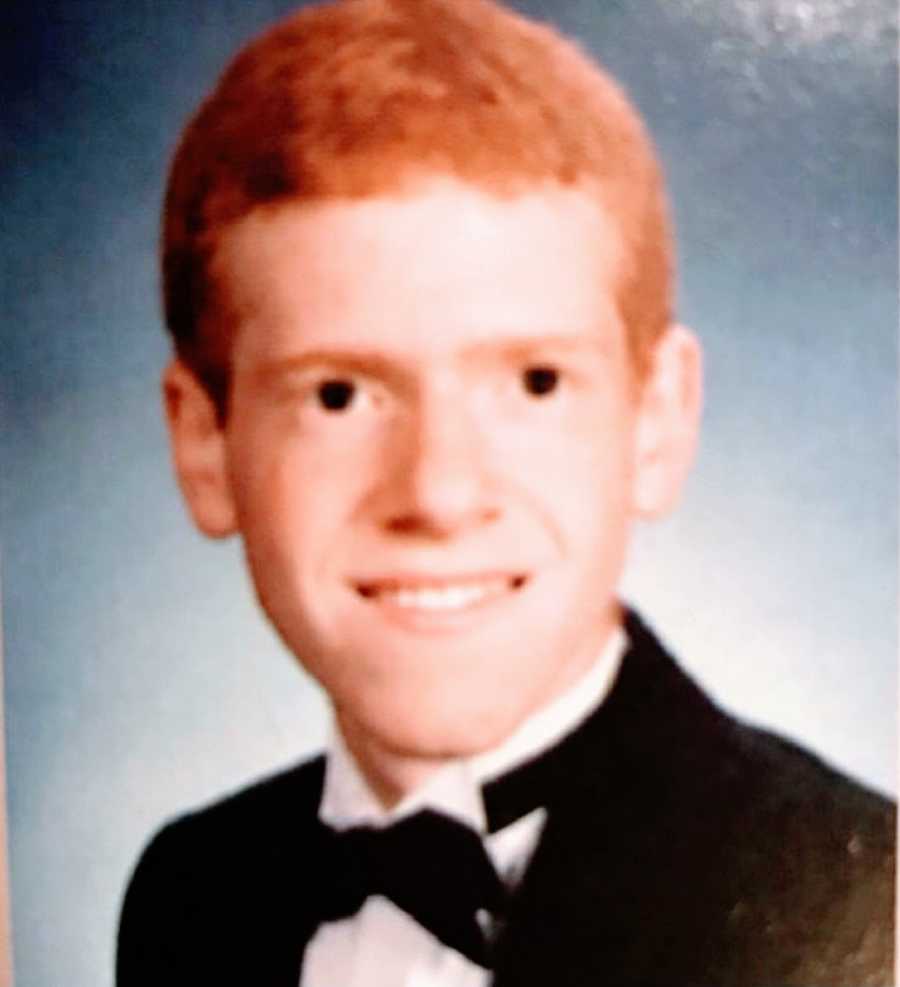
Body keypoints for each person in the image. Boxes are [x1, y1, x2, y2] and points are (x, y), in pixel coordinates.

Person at [116, 1, 895, 984]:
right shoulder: (194, 890)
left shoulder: (848, 890)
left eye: (533, 382)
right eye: (340, 394)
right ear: (203, 443)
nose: (438, 492)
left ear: (655, 420)